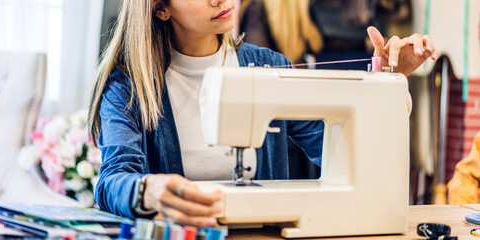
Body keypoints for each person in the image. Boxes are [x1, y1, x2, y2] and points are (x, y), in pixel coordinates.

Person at [88, 0, 439, 228]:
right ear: (161, 9)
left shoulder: (270, 66)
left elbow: (342, 154)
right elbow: (112, 182)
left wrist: (388, 84)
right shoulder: (129, 87)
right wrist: (147, 191)